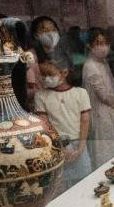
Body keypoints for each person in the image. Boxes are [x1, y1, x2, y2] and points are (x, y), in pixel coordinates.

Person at [34, 58, 92, 190]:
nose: (46, 78)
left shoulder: (80, 93)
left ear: (64, 73)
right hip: (55, 146)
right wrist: (58, 147)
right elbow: (45, 124)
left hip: (79, 144)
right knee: (60, 188)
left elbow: (85, 121)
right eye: (43, 75)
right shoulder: (40, 96)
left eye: (50, 75)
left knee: (85, 185)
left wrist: (81, 148)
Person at [82, 28, 114, 169]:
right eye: (98, 43)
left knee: (112, 146)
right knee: (103, 150)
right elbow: (103, 94)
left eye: (106, 43)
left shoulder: (103, 62)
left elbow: (111, 86)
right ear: (90, 45)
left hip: (110, 111)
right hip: (100, 113)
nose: (103, 47)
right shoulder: (90, 66)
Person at [27, 16, 72, 97]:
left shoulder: (61, 53)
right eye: (45, 30)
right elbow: (28, 89)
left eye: (53, 29)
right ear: (35, 35)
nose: (51, 33)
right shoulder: (30, 56)